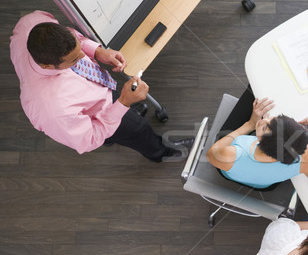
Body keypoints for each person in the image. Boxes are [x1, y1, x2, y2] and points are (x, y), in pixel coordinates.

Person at [10, 11, 185, 162]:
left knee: (121, 117)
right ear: (47, 66)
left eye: (80, 51)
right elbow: (90, 139)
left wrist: (97, 51)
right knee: (140, 129)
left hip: (100, 90)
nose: (83, 56)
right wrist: (124, 102)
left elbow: (72, 35)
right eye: (74, 59)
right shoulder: (51, 109)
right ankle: (160, 153)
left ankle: (112, 134)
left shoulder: (33, 21)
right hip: (99, 115)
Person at [206, 87, 308, 198]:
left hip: (228, 171)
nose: (263, 120)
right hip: (265, 186)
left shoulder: (231, 154)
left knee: (252, 91)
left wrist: (250, 124)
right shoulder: (304, 157)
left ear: (260, 143)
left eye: (264, 127)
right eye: (273, 119)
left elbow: (211, 153)